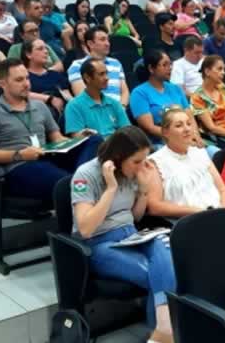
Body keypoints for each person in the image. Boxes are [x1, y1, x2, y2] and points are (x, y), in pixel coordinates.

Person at [70, 127, 176, 343]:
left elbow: (135, 217)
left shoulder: (131, 173)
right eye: (137, 161)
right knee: (157, 274)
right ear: (118, 157)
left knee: (164, 246)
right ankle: (164, 331)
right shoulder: (85, 174)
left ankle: (163, 330)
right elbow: (86, 228)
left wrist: (143, 190)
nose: (141, 166)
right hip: (98, 243)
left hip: (131, 235)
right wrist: (110, 189)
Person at [0, 59, 99, 202]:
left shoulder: (39, 106)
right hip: (20, 166)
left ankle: (81, 180)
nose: (26, 84)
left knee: (94, 140)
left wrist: (78, 139)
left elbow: (57, 138)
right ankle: (79, 184)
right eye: (19, 80)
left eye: (27, 78)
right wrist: (19, 155)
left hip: (47, 157)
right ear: (3, 84)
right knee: (70, 184)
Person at [146, 108, 225, 217]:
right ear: (165, 132)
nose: (186, 129)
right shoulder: (155, 162)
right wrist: (198, 212)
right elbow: (154, 206)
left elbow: (222, 189)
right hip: (190, 220)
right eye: (179, 125)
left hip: (220, 214)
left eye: (189, 124)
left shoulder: (200, 152)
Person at [130, 50, 201, 147]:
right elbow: (149, 127)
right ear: (151, 68)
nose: (170, 68)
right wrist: (177, 137)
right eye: (165, 65)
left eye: (170, 64)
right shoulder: (139, 93)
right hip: (160, 143)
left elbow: (190, 118)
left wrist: (195, 135)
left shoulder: (176, 88)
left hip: (186, 138)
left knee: (212, 151)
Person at [65, 58, 130, 139]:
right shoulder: (74, 106)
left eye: (106, 73)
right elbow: (76, 138)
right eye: (101, 74)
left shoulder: (114, 103)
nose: (107, 78)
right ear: (87, 78)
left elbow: (128, 131)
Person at [67, 26, 129, 105]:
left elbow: (124, 92)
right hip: (95, 110)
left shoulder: (116, 63)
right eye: (102, 40)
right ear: (90, 44)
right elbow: (82, 96)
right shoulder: (77, 66)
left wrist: (121, 108)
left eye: (108, 40)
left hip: (119, 108)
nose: (107, 44)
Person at [191, 55, 225, 145]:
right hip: (216, 138)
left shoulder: (224, 88)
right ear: (207, 71)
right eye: (219, 69)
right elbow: (212, 128)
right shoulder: (197, 97)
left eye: (224, 69)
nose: (224, 73)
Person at [23, 39, 71, 119]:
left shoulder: (55, 75)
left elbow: (67, 96)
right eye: (40, 49)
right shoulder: (23, 76)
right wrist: (49, 99)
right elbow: (19, 94)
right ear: (28, 54)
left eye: (46, 48)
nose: (46, 51)